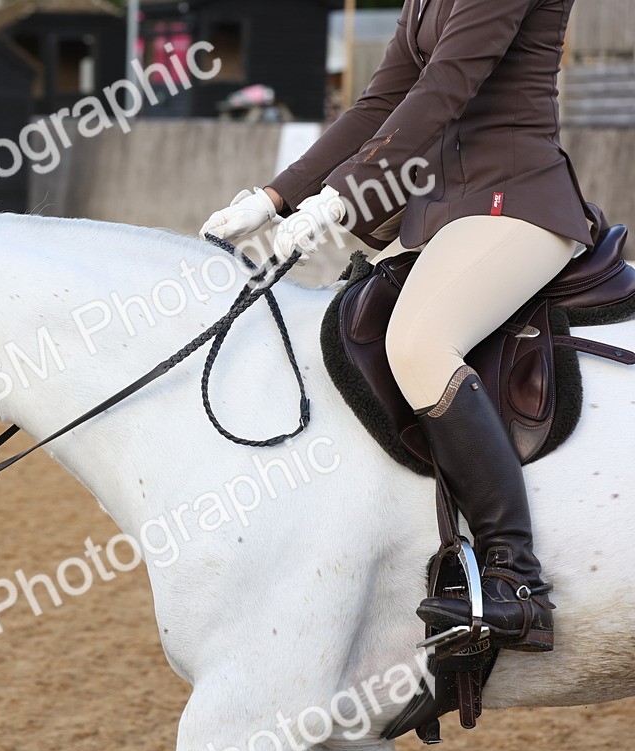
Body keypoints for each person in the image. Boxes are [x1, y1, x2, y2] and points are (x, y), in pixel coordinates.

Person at [200, 0, 594, 653]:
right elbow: (377, 104)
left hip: (513, 199)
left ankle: (516, 580)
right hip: (438, 212)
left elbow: (444, 90)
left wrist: (342, 196)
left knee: (418, 343)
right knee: (339, 335)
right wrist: (273, 198)